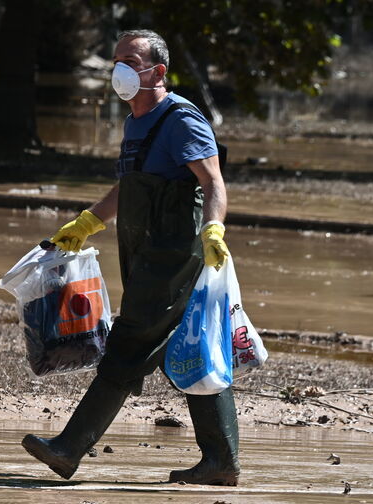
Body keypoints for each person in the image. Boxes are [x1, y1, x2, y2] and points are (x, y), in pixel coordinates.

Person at [21, 29, 239, 486]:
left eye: (130, 60)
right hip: (143, 251)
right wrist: (86, 223)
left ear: (157, 71)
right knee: (188, 350)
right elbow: (130, 186)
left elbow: (213, 182)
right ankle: (220, 460)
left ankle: (68, 448)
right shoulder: (134, 122)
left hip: (175, 253)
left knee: (130, 342)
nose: (119, 67)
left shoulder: (181, 119)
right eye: (116, 58)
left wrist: (214, 228)